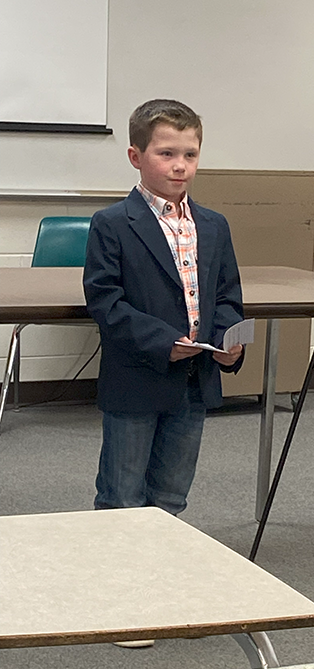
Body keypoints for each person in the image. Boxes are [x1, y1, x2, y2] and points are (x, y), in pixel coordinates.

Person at [84, 98, 244, 519]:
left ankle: (158, 580)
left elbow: (226, 295)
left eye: (190, 155)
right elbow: (105, 299)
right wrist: (161, 342)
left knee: (171, 499)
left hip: (194, 381)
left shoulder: (213, 225)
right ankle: (118, 582)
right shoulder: (113, 223)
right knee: (122, 497)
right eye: (166, 153)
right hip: (137, 379)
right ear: (136, 157)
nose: (180, 166)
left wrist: (229, 340)